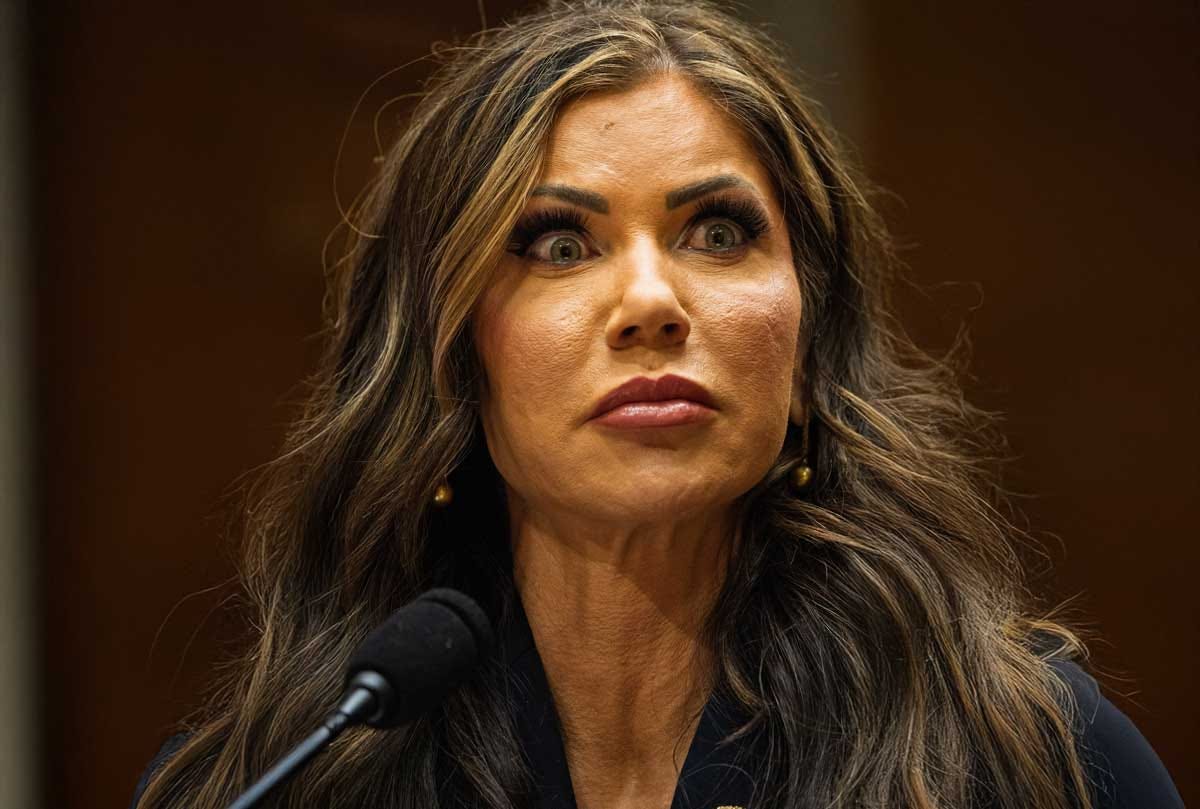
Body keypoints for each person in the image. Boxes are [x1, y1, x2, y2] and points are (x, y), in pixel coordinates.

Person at [129, 1, 1184, 807]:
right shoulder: (280, 779)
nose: (650, 301)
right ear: (448, 356)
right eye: (559, 243)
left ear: (811, 342)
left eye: (717, 233)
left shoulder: (1037, 761)